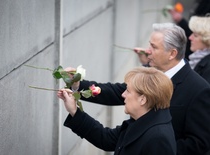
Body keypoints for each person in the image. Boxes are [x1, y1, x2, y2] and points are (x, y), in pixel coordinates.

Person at [66, 23, 210, 155]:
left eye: (154, 47)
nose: (148, 51)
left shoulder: (199, 89)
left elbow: (199, 144)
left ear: (172, 53)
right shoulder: (149, 73)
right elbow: (116, 93)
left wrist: (154, 147)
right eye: (149, 45)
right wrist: (78, 86)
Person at [58, 67, 176, 155]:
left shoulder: (158, 138)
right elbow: (106, 139)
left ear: (143, 99)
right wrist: (74, 111)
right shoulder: (143, 120)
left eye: (128, 91)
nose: (123, 95)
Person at [188, 15, 210, 84]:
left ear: (206, 39)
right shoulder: (197, 59)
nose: (190, 38)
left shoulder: (208, 67)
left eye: (195, 35)